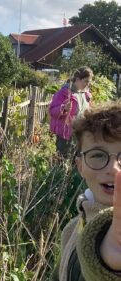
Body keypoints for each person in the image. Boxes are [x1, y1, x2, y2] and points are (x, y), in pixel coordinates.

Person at [54, 101, 121, 280]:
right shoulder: (71, 229)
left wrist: (109, 267)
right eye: (98, 155)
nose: (114, 168)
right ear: (80, 166)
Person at [49, 66, 94, 158]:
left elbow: (87, 111)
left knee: (77, 162)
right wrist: (64, 108)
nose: (87, 84)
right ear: (77, 79)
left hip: (80, 133)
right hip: (66, 134)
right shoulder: (64, 93)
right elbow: (52, 111)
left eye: (89, 82)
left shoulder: (85, 94)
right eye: (86, 81)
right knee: (63, 160)